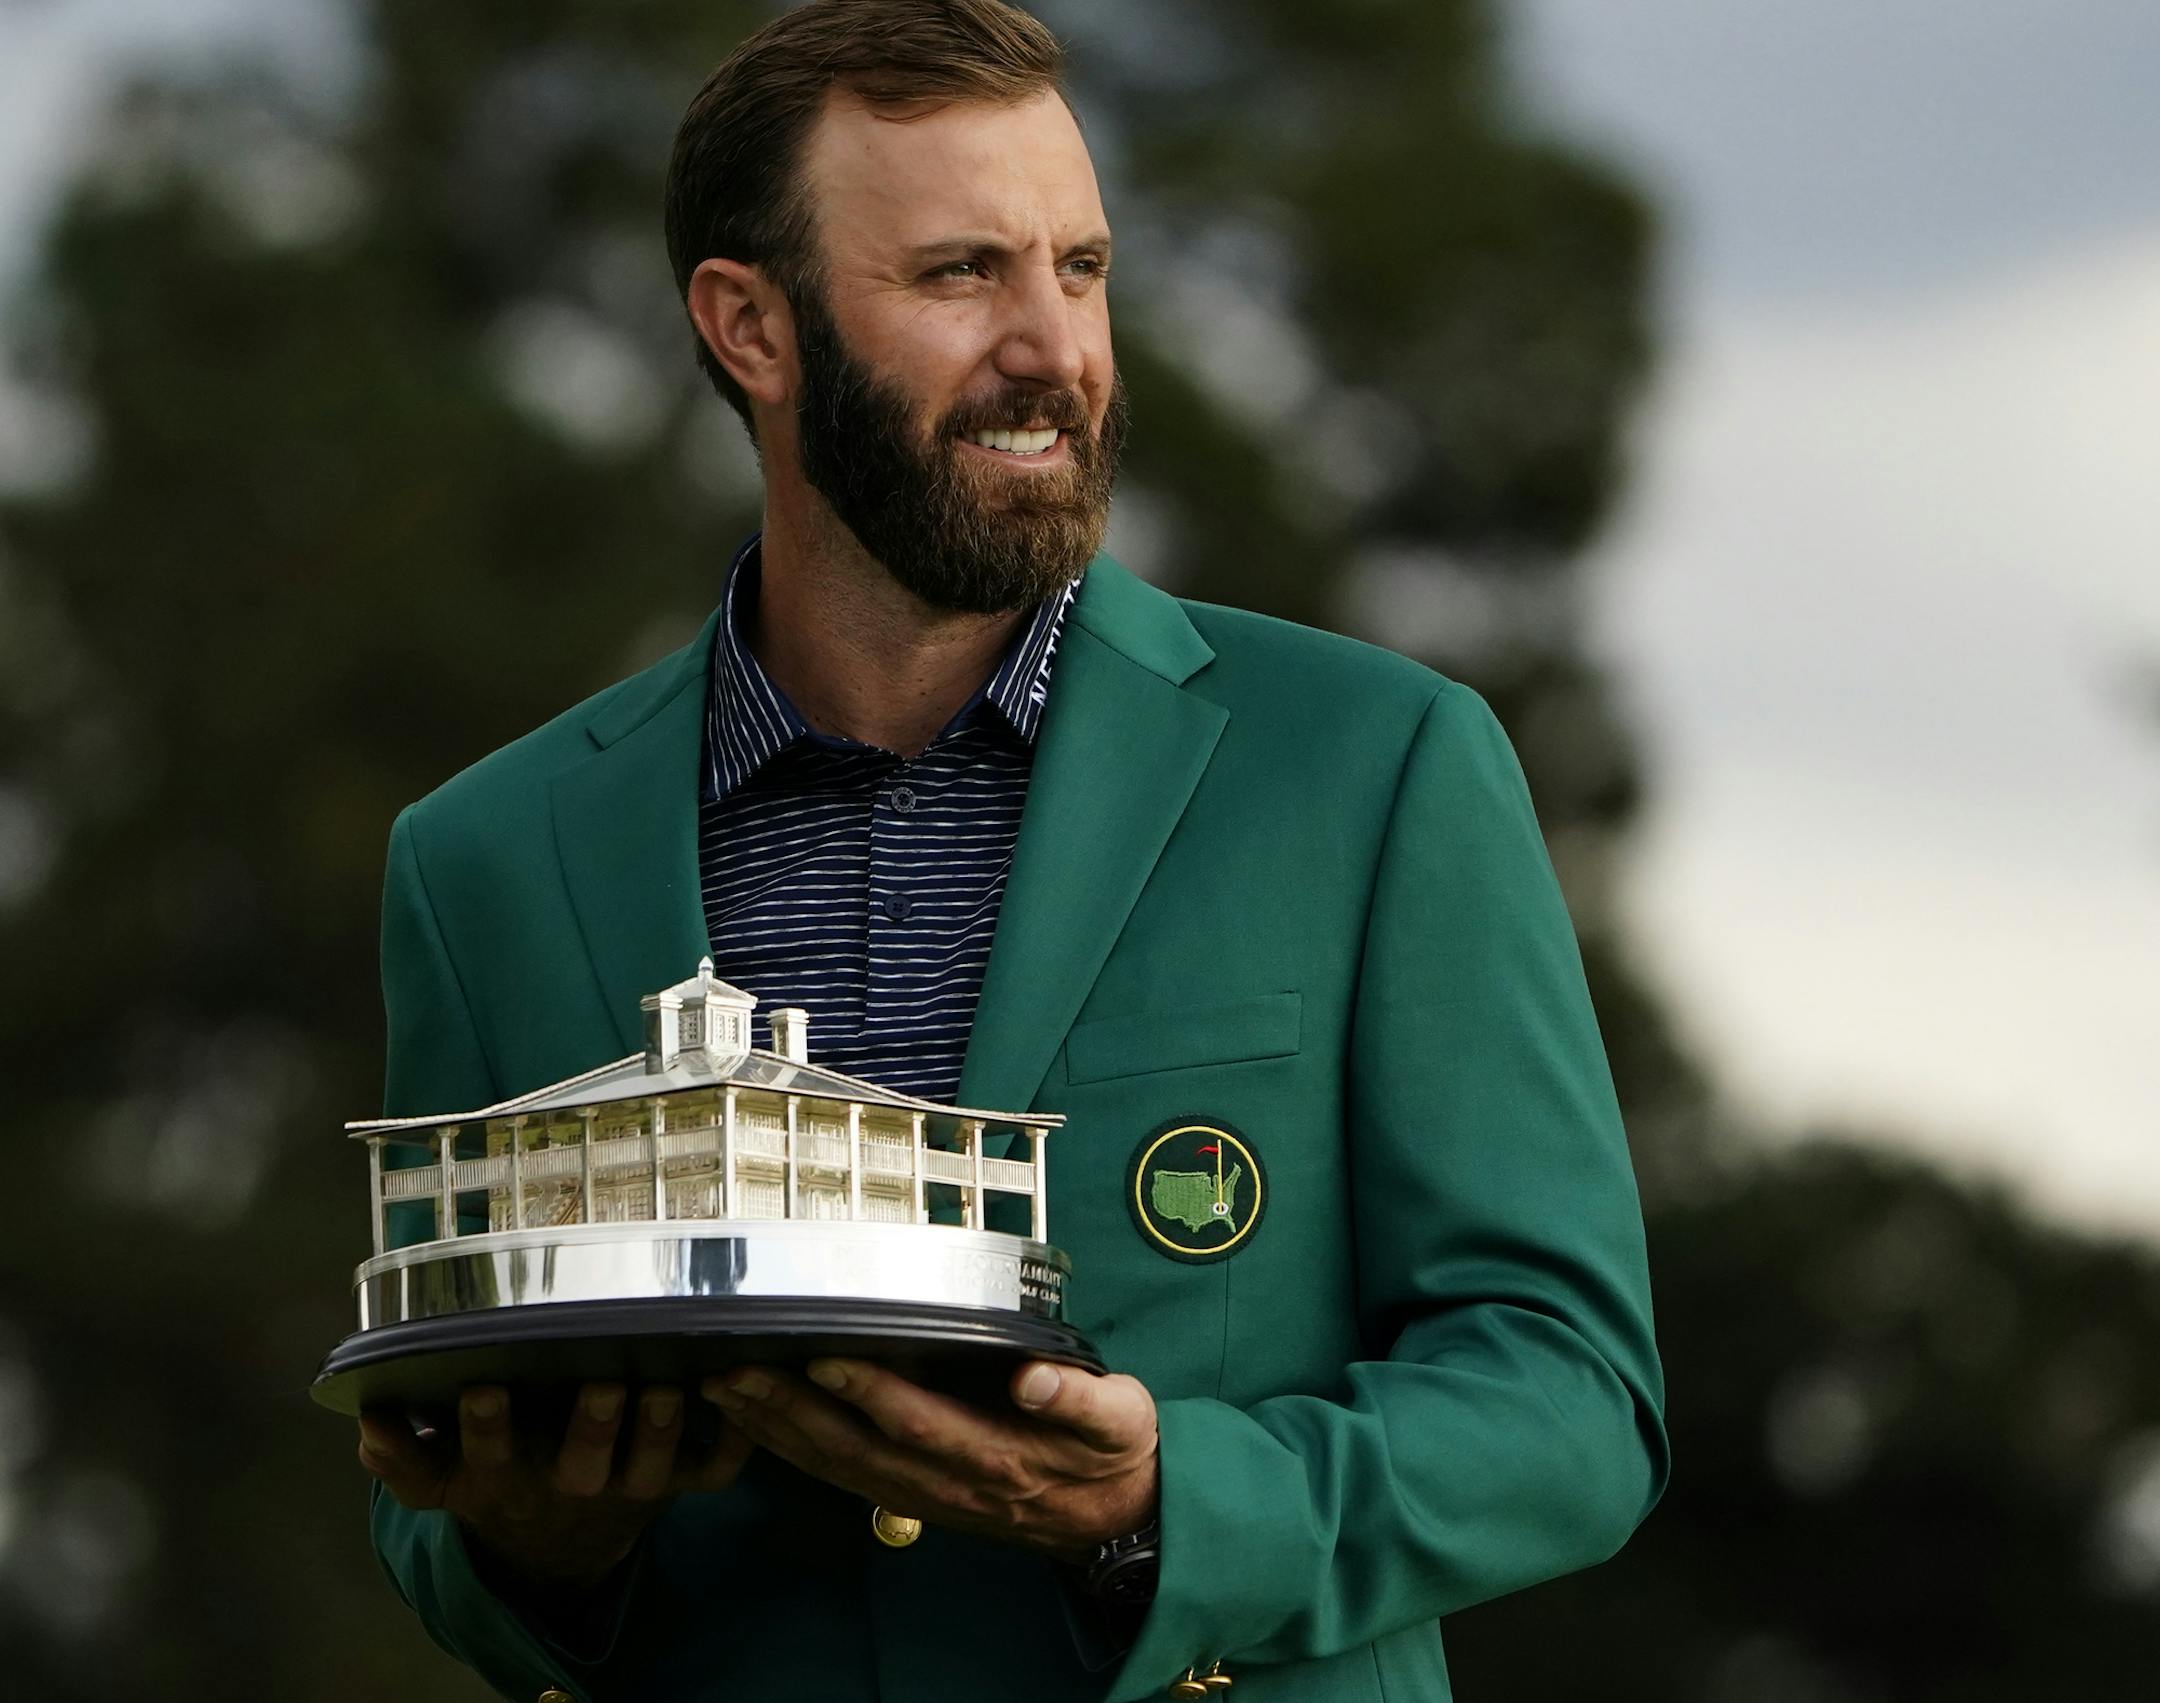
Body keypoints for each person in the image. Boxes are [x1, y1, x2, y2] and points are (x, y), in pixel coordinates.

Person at [353, 2, 1668, 1699]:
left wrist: (1166, 1510)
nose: (1057, 347)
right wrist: (532, 1545)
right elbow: (427, 1486)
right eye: (963, 273)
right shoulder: (482, 861)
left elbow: (1572, 1402)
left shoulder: (1376, 765)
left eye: (1083, 268)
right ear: (752, 327)